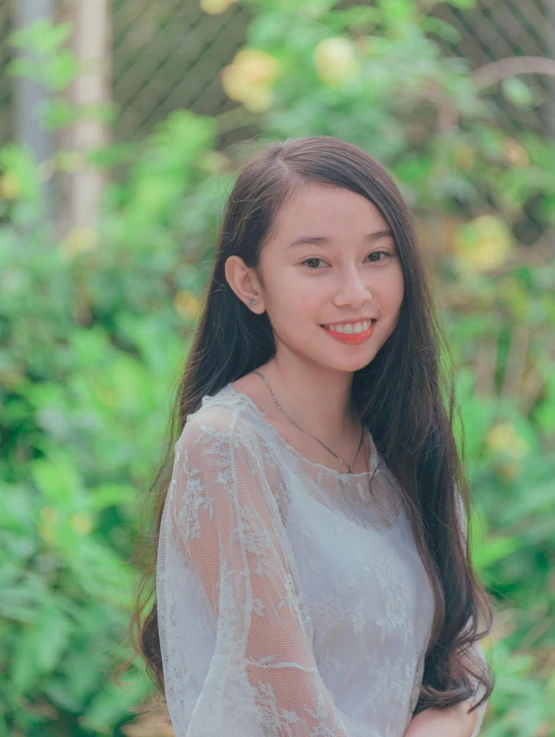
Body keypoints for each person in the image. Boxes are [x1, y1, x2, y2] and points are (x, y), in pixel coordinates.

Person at [132, 136, 495, 737]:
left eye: (377, 257)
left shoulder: (401, 433)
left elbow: (461, 649)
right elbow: (288, 712)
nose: (355, 292)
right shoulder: (226, 447)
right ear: (249, 284)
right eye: (315, 263)